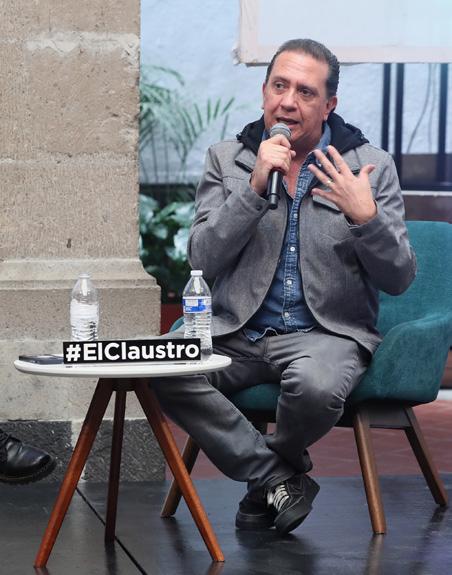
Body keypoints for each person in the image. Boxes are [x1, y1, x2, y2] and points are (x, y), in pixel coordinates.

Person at [152, 38, 416, 535]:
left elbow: (399, 278)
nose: (288, 102)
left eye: (305, 92)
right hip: (234, 330)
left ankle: (266, 480)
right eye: (279, 86)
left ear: (329, 104)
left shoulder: (368, 166)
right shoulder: (228, 158)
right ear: (264, 91)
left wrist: (367, 219)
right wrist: (253, 188)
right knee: (162, 367)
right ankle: (276, 477)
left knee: (315, 386)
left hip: (325, 334)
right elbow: (201, 261)